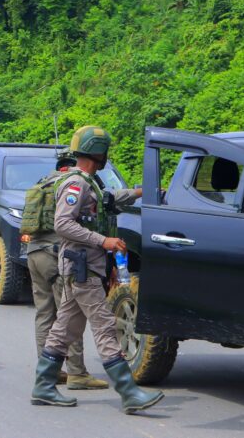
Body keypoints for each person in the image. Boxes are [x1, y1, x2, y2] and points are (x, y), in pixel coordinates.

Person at [30, 126, 163, 414]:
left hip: (82, 267)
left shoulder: (89, 182)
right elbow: (63, 224)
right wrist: (104, 241)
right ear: (99, 152)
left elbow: (109, 199)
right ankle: (129, 392)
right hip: (82, 269)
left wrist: (141, 192)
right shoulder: (76, 184)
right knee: (105, 327)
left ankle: (43, 386)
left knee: (64, 328)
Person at [26, 148, 108, 390]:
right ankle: (76, 372)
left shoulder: (44, 182)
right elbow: (66, 223)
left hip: (34, 254)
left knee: (44, 314)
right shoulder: (74, 183)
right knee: (70, 316)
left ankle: (49, 371)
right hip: (56, 256)